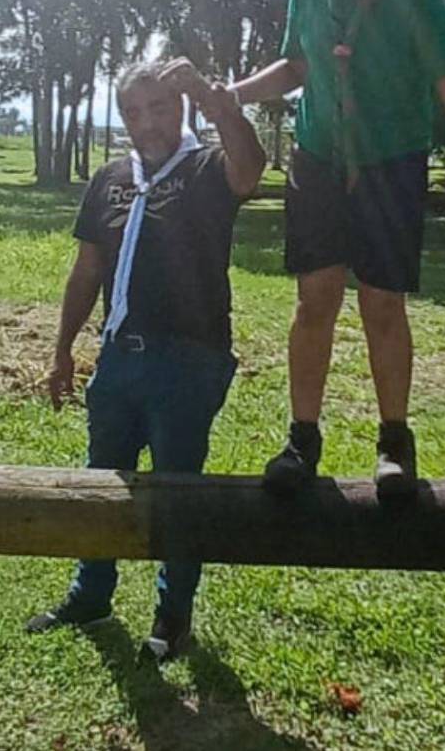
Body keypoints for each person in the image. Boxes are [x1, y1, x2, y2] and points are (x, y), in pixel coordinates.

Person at [228, 0, 445, 499]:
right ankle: (302, 440)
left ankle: (394, 443)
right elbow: (297, 65)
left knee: (382, 303)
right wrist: (237, 92)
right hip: (319, 161)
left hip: (391, 164)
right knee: (315, 300)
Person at [26, 58, 265, 661]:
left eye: (159, 107)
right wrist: (62, 350)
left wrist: (217, 102)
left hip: (188, 361)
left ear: (179, 107)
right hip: (117, 360)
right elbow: (86, 271)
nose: (148, 123)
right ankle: (91, 593)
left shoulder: (207, 168)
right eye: (134, 112)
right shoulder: (110, 179)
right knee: (101, 482)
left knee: (177, 492)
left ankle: (172, 616)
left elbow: (251, 168)